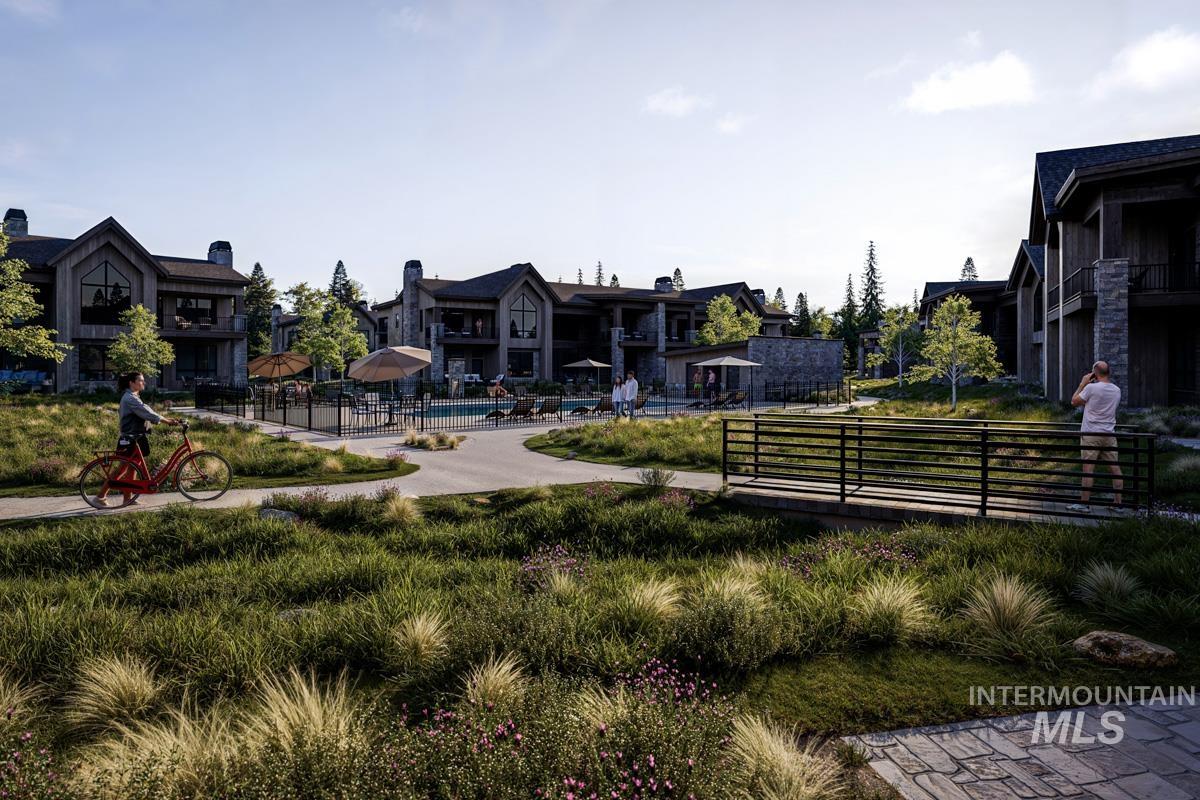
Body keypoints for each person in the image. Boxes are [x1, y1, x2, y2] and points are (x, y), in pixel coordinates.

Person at [95, 371, 180, 507]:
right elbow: (146, 412)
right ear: (132, 383)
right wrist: (167, 421)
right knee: (123, 469)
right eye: (140, 380)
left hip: (136, 437)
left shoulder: (134, 396)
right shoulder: (130, 398)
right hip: (129, 438)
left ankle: (127, 499)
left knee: (132, 468)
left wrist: (166, 419)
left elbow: (148, 410)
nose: (143, 382)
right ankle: (100, 496)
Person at [1068, 360, 1124, 513]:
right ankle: (1118, 504)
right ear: (1108, 372)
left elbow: (1074, 401)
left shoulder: (1091, 388)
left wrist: (1082, 383)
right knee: (1115, 469)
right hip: (1109, 434)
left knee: (1088, 470)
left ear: (1094, 373)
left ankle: (1084, 504)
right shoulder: (1116, 390)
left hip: (1091, 434)